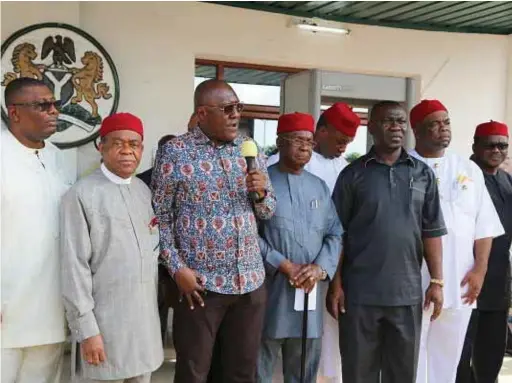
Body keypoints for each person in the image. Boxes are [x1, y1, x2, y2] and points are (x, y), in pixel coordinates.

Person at [152, 79, 276, 383]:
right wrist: (177, 268)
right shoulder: (175, 153)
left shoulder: (249, 149)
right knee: (195, 371)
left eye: (239, 108)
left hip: (249, 282)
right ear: (203, 114)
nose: (236, 115)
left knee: (241, 372)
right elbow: (159, 219)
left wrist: (261, 194)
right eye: (227, 109)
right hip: (200, 286)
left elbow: (268, 211)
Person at [328, 101, 447, 383]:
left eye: (401, 121)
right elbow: (337, 234)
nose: (396, 127)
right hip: (359, 296)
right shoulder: (353, 174)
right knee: (358, 374)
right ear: (371, 128)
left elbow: (432, 231)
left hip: (406, 295)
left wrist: (437, 281)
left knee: (402, 375)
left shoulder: (422, 174)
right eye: (388, 121)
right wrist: (335, 285)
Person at [61, 113, 163, 383]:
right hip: (104, 330)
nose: (127, 151)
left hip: (144, 330)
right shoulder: (82, 195)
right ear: (101, 146)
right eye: (118, 143)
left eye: (134, 144)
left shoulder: (143, 191)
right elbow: (74, 268)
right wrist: (87, 331)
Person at [409, 100, 504, 383]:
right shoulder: (405, 168)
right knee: (412, 354)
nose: (443, 129)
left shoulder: (468, 169)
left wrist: (480, 270)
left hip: (461, 281)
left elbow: (484, 225)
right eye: (434, 124)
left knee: (449, 357)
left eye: (446, 122)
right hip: (415, 279)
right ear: (417, 129)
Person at [257, 112, 343, 383]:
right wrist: (283, 264)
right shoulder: (262, 183)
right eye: (297, 140)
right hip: (271, 291)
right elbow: (249, 235)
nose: (305, 146)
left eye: (309, 141)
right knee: (260, 364)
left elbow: (335, 233)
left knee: (304, 368)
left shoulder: (318, 187)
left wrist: (320, 268)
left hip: (309, 293)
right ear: (280, 142)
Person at [1, 77, 72, 383]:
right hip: (8, 309)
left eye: (54, 103)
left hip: (50, 311)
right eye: (42, 105)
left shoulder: (58, 157)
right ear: (14, 112)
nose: (53, 110)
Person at [456, 121, 512, 383]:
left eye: (502, 145)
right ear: (475, 146)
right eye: (490, 145)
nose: (497, 150)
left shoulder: (506, 181)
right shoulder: (462, 177)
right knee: (459, 358)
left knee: (490, 359)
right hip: (465, 280)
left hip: (498, 283)